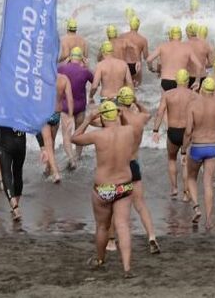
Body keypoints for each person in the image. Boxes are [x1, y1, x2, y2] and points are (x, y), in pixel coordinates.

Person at [71, 101, 136, 277]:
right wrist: (122, 115)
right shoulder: (128, 131)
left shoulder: (98, 135)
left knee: (102, 226)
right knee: (122, 225)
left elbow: (74, 138)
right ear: (116, 114)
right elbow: (130, 127)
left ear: (101, 117)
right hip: (124, 185)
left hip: (103, 188)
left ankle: (100, 260)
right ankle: (127, 268)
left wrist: (87, 120)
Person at [117, 87, 160, 254]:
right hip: (133, 164)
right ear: (132, 101)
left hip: (120, 166)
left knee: (116, 204)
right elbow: (148, 113)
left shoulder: (117, 118)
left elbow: (94, 120)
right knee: (140, 205)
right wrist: (136, 102)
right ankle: (151, 236)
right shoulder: (140, 119)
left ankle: (112, 241)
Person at [183, 78, 215, 228]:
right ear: (214, 90)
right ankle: (209, 220)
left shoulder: (193, 105)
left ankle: (196, 207)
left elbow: (188, 131)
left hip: (197, 145)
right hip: (213, 146)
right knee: (208, 183)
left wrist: (183, 149)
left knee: (191, 177)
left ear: (201, 89)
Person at [154, 69, 197, 199]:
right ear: (188, 80)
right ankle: (186, 194)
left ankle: (174, 188)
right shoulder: (193, 95)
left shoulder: (167, 94)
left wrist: (155, 130)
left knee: (172, 159)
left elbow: (160, 112)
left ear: (176, 80)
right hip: (187, 133)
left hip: (172, 132)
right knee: (186, 162)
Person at [58, 47, 94, 167]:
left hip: (65, 107)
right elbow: (95, 82)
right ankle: (78, 156)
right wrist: (87, 67)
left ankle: (71, 158)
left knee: (66, 134)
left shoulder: (62, 68)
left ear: (70, 57)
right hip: (80, 107)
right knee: (80, 133)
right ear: (81, 59)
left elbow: (52, 75)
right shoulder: (85, 71)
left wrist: (64, 62)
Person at [36, 73, 73, 183]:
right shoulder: (64, 78)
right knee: (51, 142)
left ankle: (55, 172)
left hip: (43, 113)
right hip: (56, 114)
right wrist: (70, 116)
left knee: (47, 143)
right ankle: (48, 167)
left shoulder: (41, 77)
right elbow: (70, 99)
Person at [147, 27, 202, 91]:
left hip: (166, 81)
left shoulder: (162, 46)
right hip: (181, 81)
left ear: (170, 36)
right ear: (180, 36)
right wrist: (197, 81)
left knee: (165, 99)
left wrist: (151, 69)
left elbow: (149, 60)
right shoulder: (187, 48)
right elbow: (199, 66)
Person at [0, 123, 28, 221]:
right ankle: (16, 205)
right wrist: (43, 147)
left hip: (6, 143)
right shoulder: (24, 107)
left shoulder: (1, 107)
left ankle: (14, 206)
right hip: (21, 143)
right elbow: (33, 122)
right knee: (18, 173)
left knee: (6, 173)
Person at [122, 16, 150, 87]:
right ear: (138, 26)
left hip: (124, 64)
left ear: (130, 25)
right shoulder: (143, 39)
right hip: (136, 66)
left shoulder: (122, 37)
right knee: (136, 88)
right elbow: (146, 57)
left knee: (124, 87)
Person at [184, 22, 212, 87]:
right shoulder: (205, 44)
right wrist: (202, 65)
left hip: (188, 77)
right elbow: (211, 63)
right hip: (202, 76)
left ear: (187, 32)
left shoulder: (184, 45)